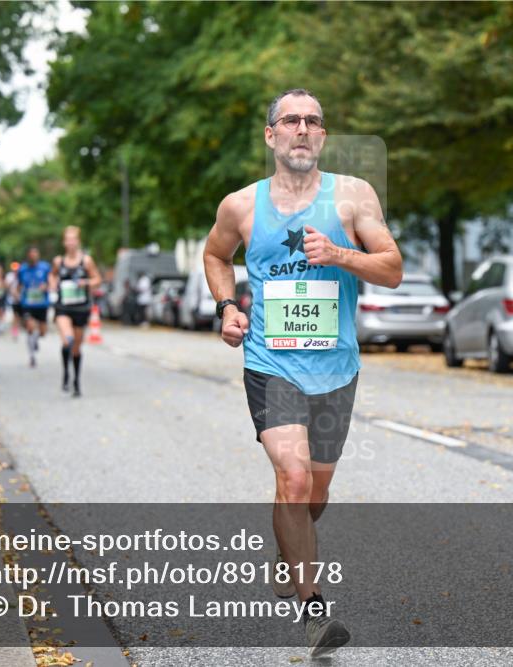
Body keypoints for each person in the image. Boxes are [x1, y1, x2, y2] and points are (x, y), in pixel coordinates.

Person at [203, 88, 402, 657]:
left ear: (322, 137)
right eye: (290, 120)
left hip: (336, 368)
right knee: (291, 478)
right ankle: (314, 612)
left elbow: (391, 269)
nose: (301, 129)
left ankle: (291, 554)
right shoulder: (241, 205)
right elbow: (216, 256)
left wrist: (340, 255)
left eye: (313, 121)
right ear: (271, 136)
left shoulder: (353, 196)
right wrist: (228, 308)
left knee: (314, 496)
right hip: (271, 362)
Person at [49, 226, 100, 397]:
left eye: (73, 239)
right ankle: (65, 374)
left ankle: (75, 380)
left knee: (76, 348)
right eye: (67, 239)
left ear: (78, 241)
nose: (70, 243)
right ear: (64, 242)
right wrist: (52, 283)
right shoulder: (58, 261)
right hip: (63, 307)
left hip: (81, 307)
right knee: (67, 339)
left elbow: (97, 279)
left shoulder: (86, 261)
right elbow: (52, 275)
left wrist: (85, 283)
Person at [17, 247, 51, 368]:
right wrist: (17, 293)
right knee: (30, 328)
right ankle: (32, 356)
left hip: (42, 303)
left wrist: (46, 286)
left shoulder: (45, 267)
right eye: (31, 254)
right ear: (28, 256)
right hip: (27, 303)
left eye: (35, 253)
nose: (33, 256)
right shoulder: (22, 269)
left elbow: (51, 281)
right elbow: (19, 285)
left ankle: (35, 340)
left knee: (42, 332)